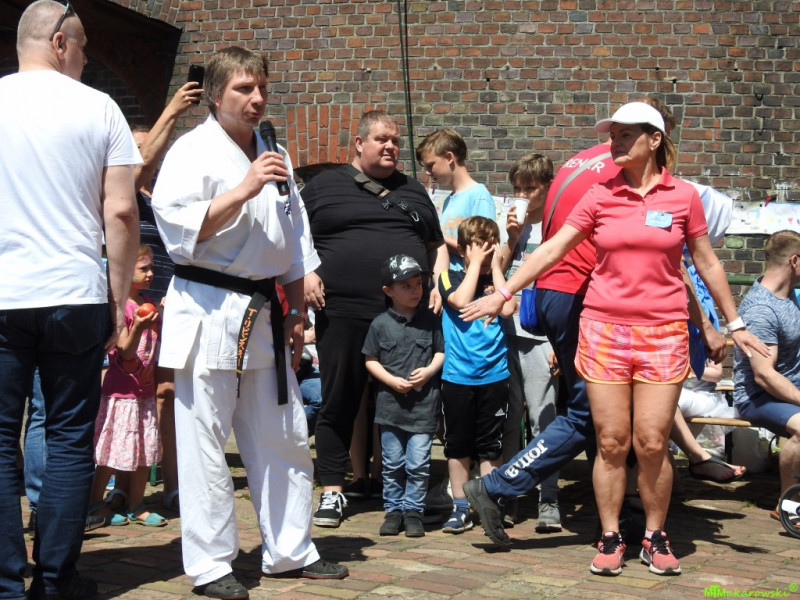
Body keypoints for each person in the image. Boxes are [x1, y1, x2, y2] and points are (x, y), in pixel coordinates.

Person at [461, 102, 767, 577]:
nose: (615, 143)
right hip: (603, 330)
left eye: (626, 135)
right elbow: (553, 247)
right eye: (613, 134)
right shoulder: (600, 192)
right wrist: (504, 291)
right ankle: (610, 536)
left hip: (662, 333)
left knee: (652, 441)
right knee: (610, 441)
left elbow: (703, 262)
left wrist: (734, 322)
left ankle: (655, 536)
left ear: (655, 139)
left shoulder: (683, 196)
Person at [152, 47, 347, 599]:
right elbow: (178, 233)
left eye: (261, 87)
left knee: (283, 434)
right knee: (205, 442)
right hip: (208, 308)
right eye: (243, 88)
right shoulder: (191, 152)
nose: (257, 98)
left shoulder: (275, 151)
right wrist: (243, 189)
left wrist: (296, 311)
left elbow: (294, 243)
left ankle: (290, 550)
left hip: (265, 314)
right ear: (216, 95)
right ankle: (212, 563)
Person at [1, 2, 141, 599]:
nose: (86, 57)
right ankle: (55, 582)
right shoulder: (100, 107)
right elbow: (122, 210)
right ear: (59, 42)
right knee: (67, 436)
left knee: (1, 439)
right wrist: (117, 297)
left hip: (5, 291)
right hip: (75, 291)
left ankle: (6, 585)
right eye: (82, 46)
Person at [301, 110, 447, 529]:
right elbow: (291, 237)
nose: (391, 147)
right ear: (359, 143)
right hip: (343, 310)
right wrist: (306, 272)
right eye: (382, 139)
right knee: (339, 399)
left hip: (405, 318)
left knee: (410, 399)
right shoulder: (323, 186)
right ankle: (333, 490)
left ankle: (407, 491)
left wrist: (438, 283)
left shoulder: (413, 191)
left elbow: (436, 245)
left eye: (396, 141)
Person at [497, 153, 562, 532]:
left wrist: (560, 341)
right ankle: (508, 495)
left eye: (530, 188)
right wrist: (511, 238)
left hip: (541, 335)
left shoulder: (558, 225)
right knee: (508, 421)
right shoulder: (513, 225)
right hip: (507, 331)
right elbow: (498, 271)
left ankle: (549, 498)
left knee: (543, 419)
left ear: (547, 187)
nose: (522, 195)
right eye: (517, 188)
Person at [438, 216, 516, 533]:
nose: (484, 255)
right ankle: (460, 506)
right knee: (458, 445)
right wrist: (472, 265)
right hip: (458, 377)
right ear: (463, 250)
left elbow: (507, 309)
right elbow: (459, 301)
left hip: (494, 376)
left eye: (489, 248)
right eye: (478, 248)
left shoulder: (497, 282)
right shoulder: (449, 276)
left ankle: (489, 505)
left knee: (490, 447)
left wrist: (496, 266)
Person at [362, 254, 445, 538]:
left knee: (418, 464)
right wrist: (390, 379)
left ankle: (413, 512)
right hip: (390, 409)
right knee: (392, 463)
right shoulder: (380, 324)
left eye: (418, 283)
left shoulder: (431, 321)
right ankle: (393, 511)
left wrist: (429, 371)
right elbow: (370, 359)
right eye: (406, 286)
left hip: (423, 409)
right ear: (388, 291)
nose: (415, 290)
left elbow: (440, 352)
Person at [86, 245, 166, 527]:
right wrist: (140, 327)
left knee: (145, 451)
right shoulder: (120, 308)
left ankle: (136, 504)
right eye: (143, 268)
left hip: (144, 393)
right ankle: (95, 502)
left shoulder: (147, 302)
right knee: (109, 452)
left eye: (151, 267)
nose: (150, 273)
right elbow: (126, 352)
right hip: (121, 395)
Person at [733, 230, 800, 525]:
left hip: (787, 387)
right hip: (758, 397)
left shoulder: (787, 295)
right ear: (794, 261)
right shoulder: (762, 309)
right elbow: (764, 376)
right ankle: (790, 505)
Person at [416, 128, 497, 270]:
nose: (427, 173)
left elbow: (482, 249)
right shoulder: (449, 200)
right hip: (448, 279)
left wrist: (435, 238)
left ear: (449, 157)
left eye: (430, 165)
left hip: (465, 280)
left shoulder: (479, 196)